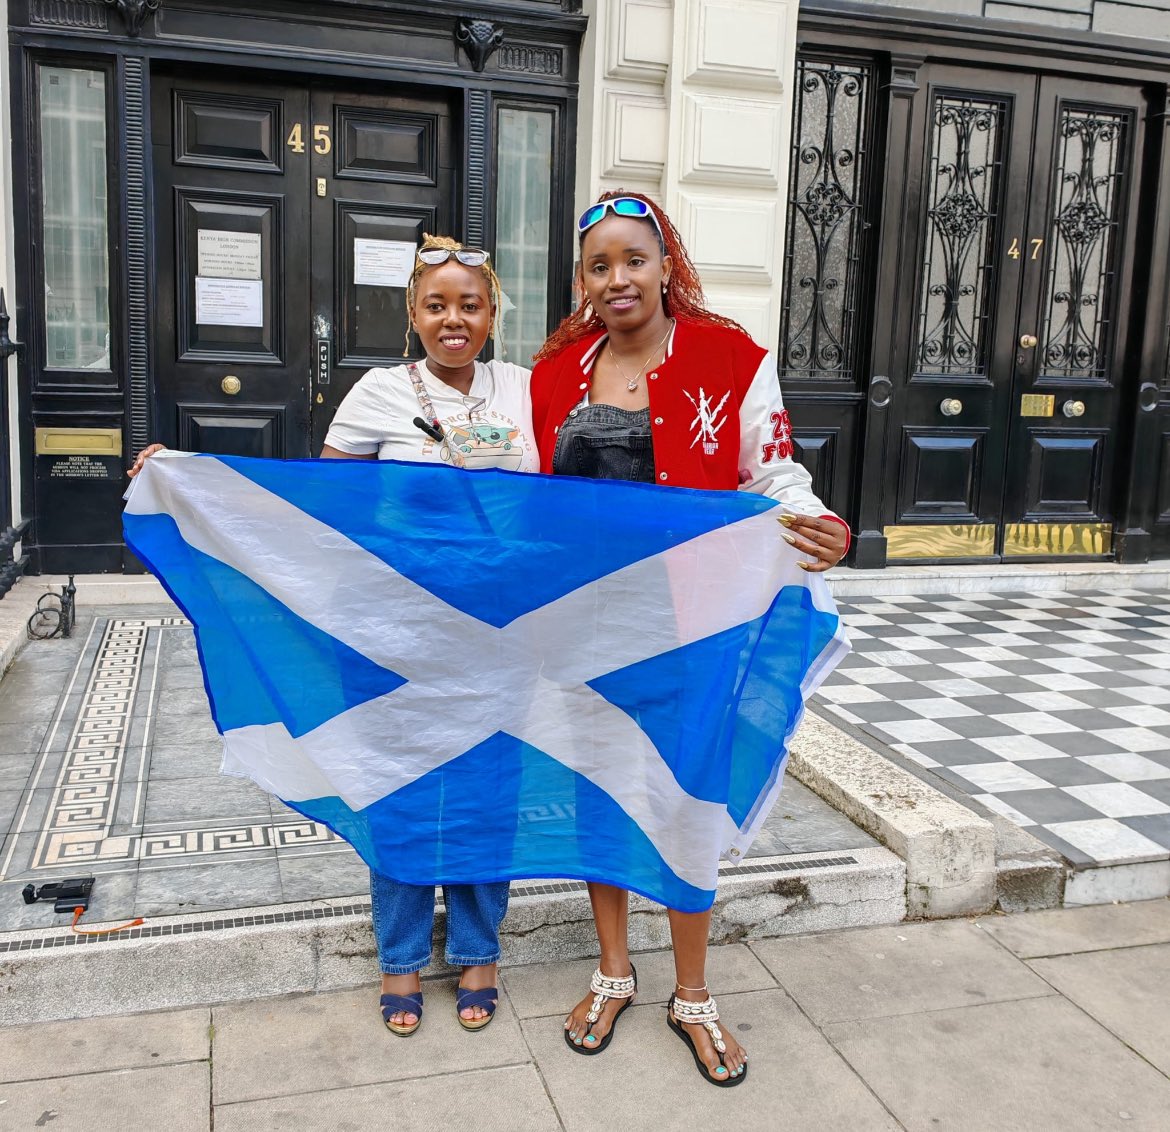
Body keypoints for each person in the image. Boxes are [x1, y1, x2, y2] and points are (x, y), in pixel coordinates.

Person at [130, 234, 537, 1037]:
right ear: (413, 313)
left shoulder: (527, 390)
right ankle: (401, 958)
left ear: (493, 312)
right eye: (436, 305)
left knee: (488, 787)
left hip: (498, 631)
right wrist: (184, 477)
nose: (454, 319)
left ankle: (481, 951)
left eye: (471, 304)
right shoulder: (378, 393)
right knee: (397, 788)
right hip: (388, 636)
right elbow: (321, 510)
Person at [530, 192, 850, 1087]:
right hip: (583, 628)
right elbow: (522, 491)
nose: (617, 278)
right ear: (584, 282)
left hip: (694, 626)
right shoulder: (553, 372)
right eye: (599, 265)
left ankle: (694, 992)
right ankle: (613, 969)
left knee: (687, 798)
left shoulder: (730, 358)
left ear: (666, 263)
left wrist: (815, 521)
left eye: (634, 258)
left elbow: (773, 470)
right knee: (597, 787)